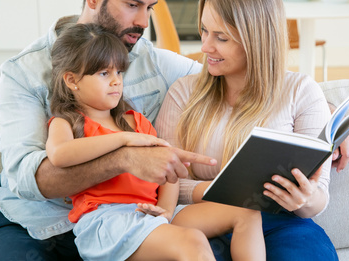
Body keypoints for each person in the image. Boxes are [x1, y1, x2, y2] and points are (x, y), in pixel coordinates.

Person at [0, 0, 349, 260]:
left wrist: (328, 119)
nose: (143, 22)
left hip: (134, 218)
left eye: (149, 8)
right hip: (36, 220)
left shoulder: (151, 60)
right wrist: (125, 154)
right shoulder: (25, 71)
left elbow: (234, 74)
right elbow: (33, 178)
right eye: (132, 5)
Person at [155, 0, 340, 260]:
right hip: (203, 224)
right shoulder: (183, 94)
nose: (205, 47)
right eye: (204, 31)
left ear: (257, 39)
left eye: (221, 38)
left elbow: (319, 198)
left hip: (283, 224)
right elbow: (167, 183)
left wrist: (305, 198)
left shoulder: (301, 92)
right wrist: (233, 197)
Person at [46, 22, 265, 260]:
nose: (116, 81)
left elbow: (169, 174)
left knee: (247, 212)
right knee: (192, 240)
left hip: (152, 213)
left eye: (119, 72)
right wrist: (123, 139)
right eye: (103, 73)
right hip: (107, 220)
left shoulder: (137, 122)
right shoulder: (67, 123)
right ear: (71, 80)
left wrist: (165, 213)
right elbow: (59, 154)